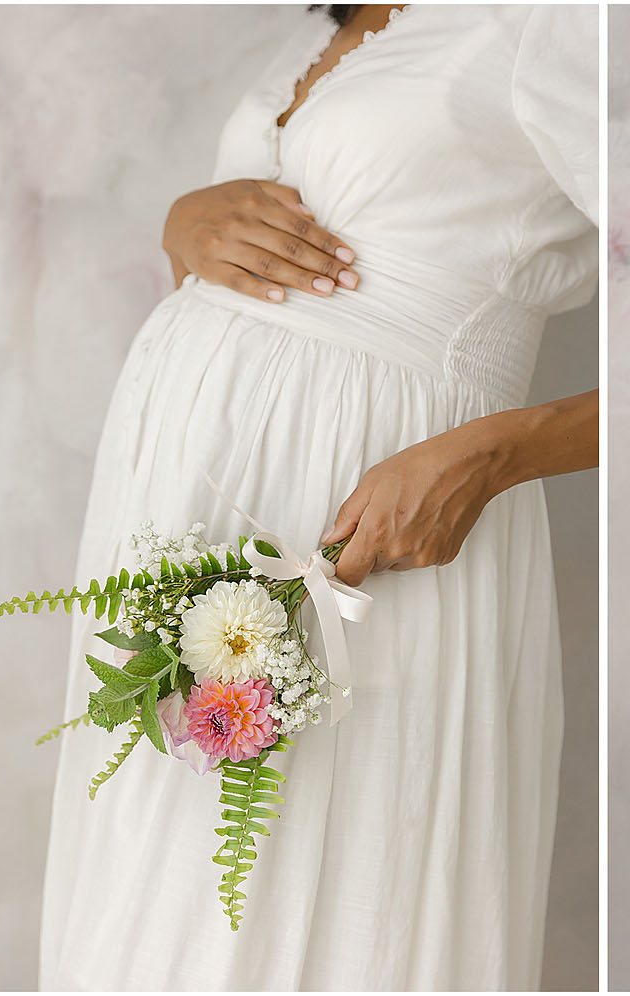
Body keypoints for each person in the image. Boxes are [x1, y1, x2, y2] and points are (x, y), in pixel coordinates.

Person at [36, 4, 598, 989]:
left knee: (331, 864)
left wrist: (499, 451)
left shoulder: (548, 25)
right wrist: (183, 222)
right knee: (158, 858)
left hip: (372, 505)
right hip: (182, 494)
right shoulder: (326, 25)